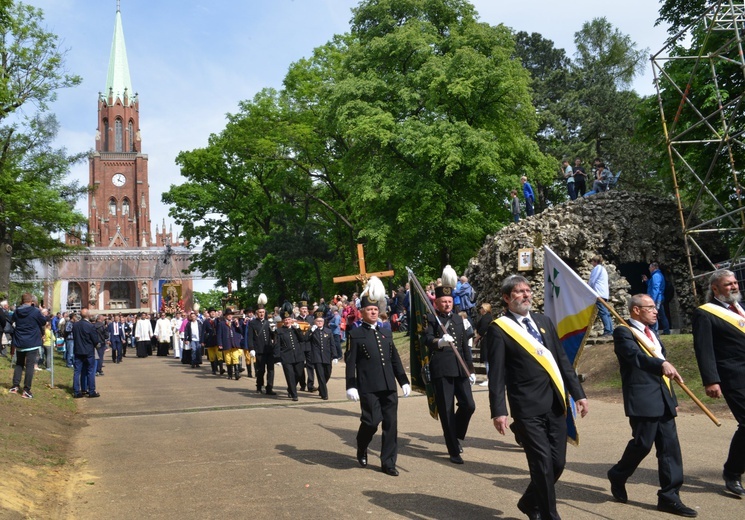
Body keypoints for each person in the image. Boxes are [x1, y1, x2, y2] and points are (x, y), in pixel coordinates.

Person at [485, 275, 589, 520]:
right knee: (542, 465)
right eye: (519, 292)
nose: (526, 295)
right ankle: (549, 515)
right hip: (527, 408)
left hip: (555, 404)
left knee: (557, 463)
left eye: (528, 290)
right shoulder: (499, 329)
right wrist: (499, 410)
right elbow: (497, 375)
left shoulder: (543, 321)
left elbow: (562, 362)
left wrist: (578, 394)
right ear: (507, 298)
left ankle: (529, 502)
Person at [607, 294, 697, 517]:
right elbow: (635, 357)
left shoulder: (652, 333)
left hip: (663, 397)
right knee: (642, 444)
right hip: (642, 397)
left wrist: (672, 399)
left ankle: (669, 496)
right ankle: (618, 474)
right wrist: (662, 363)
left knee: (669, 448)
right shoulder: (623, 331)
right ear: (636, 310)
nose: (656, 311)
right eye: (650, 308)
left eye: (655, 307)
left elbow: (664, 371)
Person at [346, 276, 411, 476]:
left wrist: (404, 381)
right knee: (371, 422)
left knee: (391, 425)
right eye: (369, 310)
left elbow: (394, 360)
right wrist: (351, 385)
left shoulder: (386, 333)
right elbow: (350, 362)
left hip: (388, 386)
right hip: (368, 387)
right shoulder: (356, 335)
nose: (373, 312)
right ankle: (362, 444)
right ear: (362, 312)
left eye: (375, 310)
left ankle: (388, 462)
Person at [692, 269, 745, 498]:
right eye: (728, 285)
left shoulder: (741, 309)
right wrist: (711, 380)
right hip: (733, 377)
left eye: (735, 283)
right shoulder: (705, 313)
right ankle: (732, 473)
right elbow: (704, 349)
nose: (733, 287)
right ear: (715, 289)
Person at [422, 265, 477, 464]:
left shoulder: (459, 319)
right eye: (443, 302)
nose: (447, 304)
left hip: (460, 367)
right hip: (442, 369)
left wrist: (470, 370)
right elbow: (426, 340)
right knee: (446, 410)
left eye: (449, 301)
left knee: (469, 405)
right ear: (436, 303)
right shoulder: (430, 318)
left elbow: (465, 346)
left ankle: (456, 435)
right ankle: (453, 450)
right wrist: (439, 341)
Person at [9, 293, 46, 399]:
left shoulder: (17, 311)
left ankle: (15, 386)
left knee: (19, 364)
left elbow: (13, 321)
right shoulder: (35, 311)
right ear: (31, 301)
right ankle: (26, 390)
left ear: (22, 301)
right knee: (29, 366)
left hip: (20, 341)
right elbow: (43, 321)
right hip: (32, 342)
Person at [248, 295, 277, 395]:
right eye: (260, 312)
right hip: (259, 350)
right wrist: (251, 348)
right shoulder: (252, 323)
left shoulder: (268, 322)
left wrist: (274, 331)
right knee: (261, 370)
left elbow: (273, 337)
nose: (261, 314)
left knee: (271, 370)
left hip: (269, 350)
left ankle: (269, 388)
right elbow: (250, 336)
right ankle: (259, 386)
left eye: (263, 312)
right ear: (257, 313)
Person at [276, 308, 306, 401]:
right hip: (286, 356)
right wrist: (277, 358)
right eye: (285, 320)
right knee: (290, 375)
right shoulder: (280, 331)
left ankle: (290, 388)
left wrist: (298, 330)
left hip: (298, 355)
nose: (287, 321)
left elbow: (302, 339)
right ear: (283, 321)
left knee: (299, 373)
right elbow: (277, 345)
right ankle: (294, 394)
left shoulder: (295, 329)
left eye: (288, 319)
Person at [72, 308, 100, 398]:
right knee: (90, 371)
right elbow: (95, 339)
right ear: (88, 315)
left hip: (78, 350)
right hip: (88, 351)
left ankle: (77, 391)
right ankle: (91, 390)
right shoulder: (90, 326)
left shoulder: (75, 325)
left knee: (77, 372)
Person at [306, 311, 334, 400]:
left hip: (327, 356)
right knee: (320, 375)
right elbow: (305, 339)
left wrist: (335, 356)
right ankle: (324, 394)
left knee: (328, 373)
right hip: (316, 356)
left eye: (321, 321)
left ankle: (321, 387)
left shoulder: (328, 331)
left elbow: (332, 344)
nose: (319, 323)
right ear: (314, 322)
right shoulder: (312, 331)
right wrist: (311, 331)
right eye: (317, 321)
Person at [589, 254, 613, 336]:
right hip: (604, 293)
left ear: (595, 262)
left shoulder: (597, 268)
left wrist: (588, 289)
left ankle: (608, 330)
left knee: (603, 312)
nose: (592, 263)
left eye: (592, 261)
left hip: (599, 293)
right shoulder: (603, 269)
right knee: (606, 312)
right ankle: (610, 329)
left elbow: (592, 280)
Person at [643, 262, 670, 335]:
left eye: (649, 267)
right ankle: (666, 331)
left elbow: (656, 288)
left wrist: (652, 299)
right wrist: (647, 281)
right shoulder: (657, 275)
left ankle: (655, 331)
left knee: (653, 314)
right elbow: (652, 285)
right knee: (662, 315)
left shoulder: (656, 276)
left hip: (657, 298)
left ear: (653, 267)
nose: (649, 269)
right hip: (659, 298)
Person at [217, 308, 243, 380]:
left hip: (234, 343)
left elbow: (241, 331)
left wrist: (238, 325)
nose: (230, 316)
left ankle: (237, 373)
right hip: (226, 343)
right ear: (225, 316)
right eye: (228, 315)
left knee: (235, 357)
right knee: (228, 359)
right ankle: (230, 374)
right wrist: (220, 343)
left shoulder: (235, 323)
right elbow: (219, 335)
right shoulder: (221, 324)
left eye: (231, 315)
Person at [475, 302, 494, 387]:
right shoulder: (487, 317)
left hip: (486, 340)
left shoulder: (486, 318)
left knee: (487, 361)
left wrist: (476, 338)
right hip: (487, 339)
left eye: (481, 308)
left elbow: (483, 329)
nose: (480, 310)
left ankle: (489, 379)